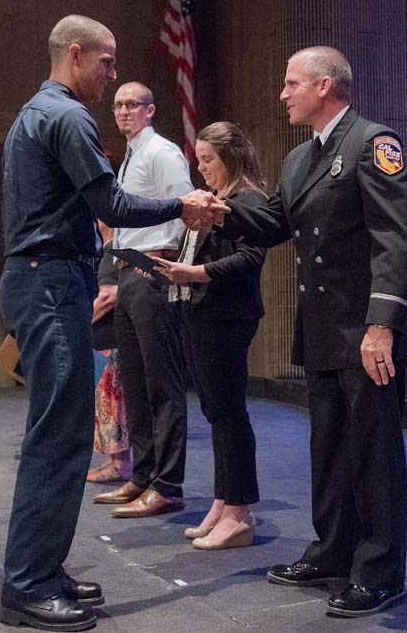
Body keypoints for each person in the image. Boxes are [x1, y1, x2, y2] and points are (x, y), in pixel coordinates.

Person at [0, 15, 226, 632]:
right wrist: (181, 205)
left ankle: (42, 567)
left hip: (41, 276)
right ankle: (27, 583)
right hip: (49, 281)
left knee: (62, 430)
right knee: (59, 435)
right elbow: (111, 205)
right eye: (108, 61)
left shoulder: (35, 112)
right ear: (76, 53)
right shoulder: (68, 117)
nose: (114, 72)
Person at [217, 47, 407, 616]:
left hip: (365, 332)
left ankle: (381, 571)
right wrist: (222, 213)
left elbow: (400, 238)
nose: (282, 94)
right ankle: (334, 551)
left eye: (291, 84)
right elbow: (274, 222)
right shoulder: (299, 158)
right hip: (323, 330)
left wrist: (383, 325)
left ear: (325, 85)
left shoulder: (372, 142)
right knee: (329, 447)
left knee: (374, 452)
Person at [153, 122, 267, 550]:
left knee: (230, 413)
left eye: (208, 160)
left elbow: (249, 259)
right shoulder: (218, 199)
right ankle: (223, 502)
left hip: (227, 316)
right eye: (198, 161)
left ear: (231, 157)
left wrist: (193, 273)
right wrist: (167, 261)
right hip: (200, 313)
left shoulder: (248, 201)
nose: (201, 170)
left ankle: (239, 512)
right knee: (217, 413)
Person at [93, 82, 194, 518]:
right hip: (129, 271)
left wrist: (168, 263)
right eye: (118, 104)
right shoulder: (131, 156)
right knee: (134, 384)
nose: (124, 111)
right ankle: (142, 475)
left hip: (154, 270)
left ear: (151, 110)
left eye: (133, 104)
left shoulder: (162, 153)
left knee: (162, 385)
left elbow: (185, 210)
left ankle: (168, 485)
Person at [87, 222, 131, 483]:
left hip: (112, 339)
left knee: (114, 404)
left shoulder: (115, 248)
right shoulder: (107, 249)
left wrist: (81, 322)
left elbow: (109, 296)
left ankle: (121, 464)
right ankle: (114, 460)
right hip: (105, 339)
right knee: (107, 403)